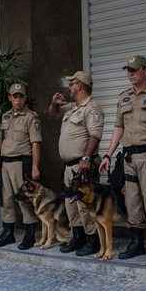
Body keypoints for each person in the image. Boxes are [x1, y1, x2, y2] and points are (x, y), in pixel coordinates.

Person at [99, 55, 146, 263]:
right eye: (128, 70)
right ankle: (137, 243)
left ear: (145, 70)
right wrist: (108, 154)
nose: (130, 74)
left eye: (134, 70)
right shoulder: (123, 97)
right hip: (129, 157)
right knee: (132, 200)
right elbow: (118, 128)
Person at [47, 71, 104, 255]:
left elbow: (95, 135)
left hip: (82, 165)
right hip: (69, 166)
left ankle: (92, 240)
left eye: (72, 84)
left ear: (80, 85)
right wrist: (54, 104)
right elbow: (52, 115)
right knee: (71, 204)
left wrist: (86, 158)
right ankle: (77, 237)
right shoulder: (72, 107)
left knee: (85, 205)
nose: (69, 87)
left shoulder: (91, 108)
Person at [0, 83, 43, 250]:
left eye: (21, 96)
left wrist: (35, 166)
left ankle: (30, 233)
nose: (18, 99)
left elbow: (36, 143)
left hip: (21, 162)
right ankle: (9, 233)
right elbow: (0, 141)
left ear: (25, 98)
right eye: (15, 96)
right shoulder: (6, 117)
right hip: (5, 163)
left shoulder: (30, 117)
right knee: (6, 200)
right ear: (9, 97)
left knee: (24, 198)